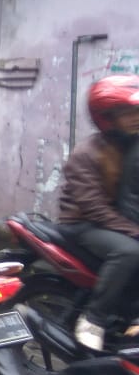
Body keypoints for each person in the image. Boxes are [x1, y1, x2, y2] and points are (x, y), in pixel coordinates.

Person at [56, 75, 139, 351]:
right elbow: (95, 208)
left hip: (109, 221)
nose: (135, 119)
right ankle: (94, 319)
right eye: (127, 114)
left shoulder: (126, 146)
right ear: (108, 117)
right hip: (81, 224)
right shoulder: (88, 153)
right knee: (129, 252)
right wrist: (134, 231)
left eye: (137, 112)